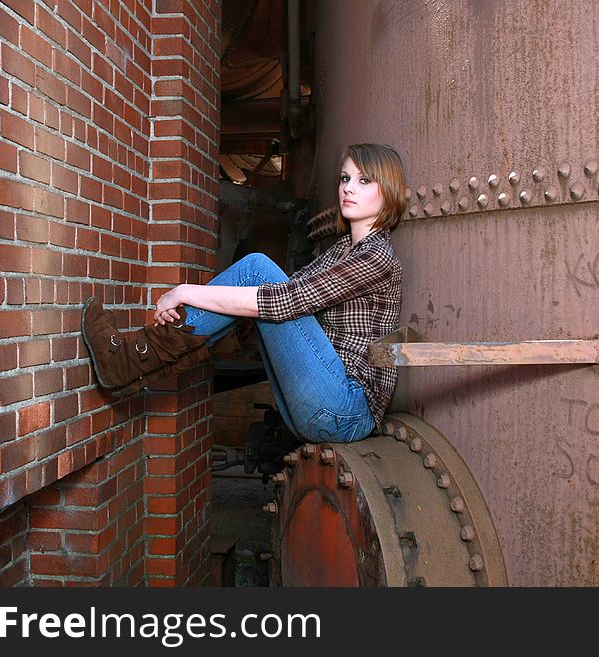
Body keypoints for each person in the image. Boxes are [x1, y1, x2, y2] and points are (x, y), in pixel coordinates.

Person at [81, 143, 405, 443]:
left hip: (344, 409)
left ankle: (129, 360)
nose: (348, 187)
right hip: (323, 402)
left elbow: (284, 300)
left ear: (387, 191)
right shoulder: (342, 250)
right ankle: (132, 367)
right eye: (346, 177)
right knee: (257, 280)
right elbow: (289, 293)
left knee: (256, 271)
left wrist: (184, 292)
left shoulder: (376, 257)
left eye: (364, 181)